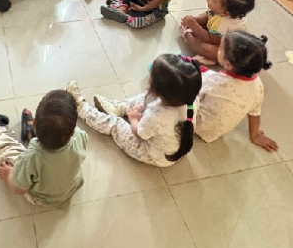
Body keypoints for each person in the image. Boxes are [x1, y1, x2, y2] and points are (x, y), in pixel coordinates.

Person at [67, 54, 201, 166]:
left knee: (115, 124)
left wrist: (134, 119)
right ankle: (120, 108)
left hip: (150, 154)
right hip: (168, 148)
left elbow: (140, 134)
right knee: (145, 97)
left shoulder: (155, 116)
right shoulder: (191, 101)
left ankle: (81, 108)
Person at [0, 91, 87, 206]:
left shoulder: (30, 158)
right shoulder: (80, 135)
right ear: (72, 131)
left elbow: (19, 189)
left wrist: (9, 174)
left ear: (34, 123)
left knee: (8, 151)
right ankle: (30, 135)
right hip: (72, 187)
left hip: (43, 198)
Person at [193, 31, 278, 150]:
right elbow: (254, 111)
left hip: (197, 125)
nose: (218, 50)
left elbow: (193, 91)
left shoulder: (213, 80)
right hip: (215, 132)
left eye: (220, 49)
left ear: (228, 64)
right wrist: (254, 135)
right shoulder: (257, 84)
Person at [179, 0, 255, 64]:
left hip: (232, 53)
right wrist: (197, 20)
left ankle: (187, 36)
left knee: (206, 49)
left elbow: (209, 39)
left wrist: (193, 25)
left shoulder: (224, 23)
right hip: (219, 38)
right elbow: (208, 15)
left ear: (225, 13)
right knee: (202, 26)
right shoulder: (222, 12)